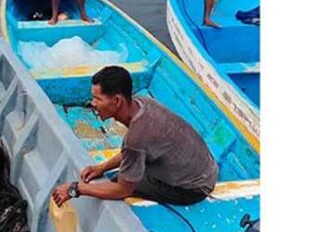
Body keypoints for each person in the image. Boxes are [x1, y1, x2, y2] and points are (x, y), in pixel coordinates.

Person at [52, 66, 218, 207]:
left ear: (117, 101)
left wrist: (75, 189)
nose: (92, 104)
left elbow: (122, 189)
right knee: (121, 172)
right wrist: (101, 168)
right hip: (206, 168)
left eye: (97, 99)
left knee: (116, 181)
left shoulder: (136, 138)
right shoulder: (142, 102)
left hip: (191, 188)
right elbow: (131, 151)